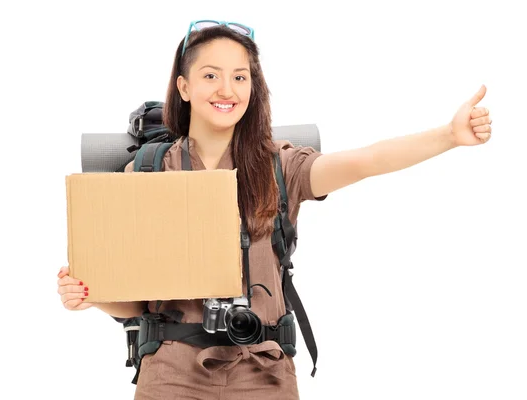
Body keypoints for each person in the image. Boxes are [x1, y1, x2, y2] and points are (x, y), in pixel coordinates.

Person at [57, 20, 493, 400]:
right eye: (211, 75)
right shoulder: (149, 171)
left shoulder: (279, 165)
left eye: (240, 77)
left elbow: (365, 161)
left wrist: (448, 136)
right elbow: (135, 302)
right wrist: (90, 297)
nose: (227, 90)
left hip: (263, 369)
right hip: (171, 372)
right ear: (184, 87)